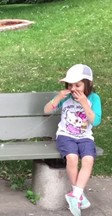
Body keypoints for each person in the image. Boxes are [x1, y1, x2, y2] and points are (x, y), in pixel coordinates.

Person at [43, 64, 102, 216]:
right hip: (65, 136)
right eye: (70, 84)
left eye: (78, 85)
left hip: (85, 137)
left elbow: (95, 121)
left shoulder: (94, 99)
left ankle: (75, 195)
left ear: (88, 85)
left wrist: (84, 103)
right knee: (72, 157)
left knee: (88, 159)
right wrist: (58, 98)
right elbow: (46, 111)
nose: (73, 88)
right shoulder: (67, 98)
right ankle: (78, 196)